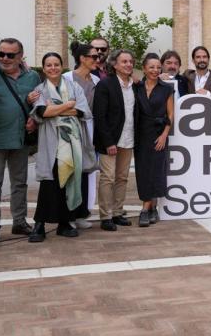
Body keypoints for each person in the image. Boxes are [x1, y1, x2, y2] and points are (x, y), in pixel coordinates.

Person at [0, 37, 40, 243]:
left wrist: (34, 118)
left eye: (10, 55)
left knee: (19, 183)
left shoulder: (32, 76)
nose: (4, 58)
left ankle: (19, 222)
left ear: (20, 56)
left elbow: (40, 102)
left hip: (20, 138)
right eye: (1, 54)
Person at [29, 52, 93, 242]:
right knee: (50, 183)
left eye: (56, 64)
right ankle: (39, 224)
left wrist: (55, 109)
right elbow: (41, 112)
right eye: (48, 65)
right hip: (52, 143)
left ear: (62, 66)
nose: (53, 68)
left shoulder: (74, 87)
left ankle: (65, 223)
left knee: (71, 180)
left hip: (73, 143)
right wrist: (68, 105)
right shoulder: (40, 89)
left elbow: (83, 111)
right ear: (43, 68)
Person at [93, 49, 136, 231]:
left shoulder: (135, 85)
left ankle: (118, 212)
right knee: (107, 178)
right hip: (110, 140)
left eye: (130, 61)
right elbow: (100, 116)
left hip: (129, 138)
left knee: (122, 178)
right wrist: (109, 142)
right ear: (114, 64)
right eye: (124, 61)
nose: (128, 64)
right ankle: (106, 216)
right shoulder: (106, 84)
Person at [134, 53, 174, 227]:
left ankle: (145, 209)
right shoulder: (136, 88)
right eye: (151, 67)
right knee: (143, 172)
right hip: (141, 134)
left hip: (159, 134)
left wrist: (165, 134)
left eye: (158, 67)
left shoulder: (166, 89)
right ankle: (152, 208)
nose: (155, 70)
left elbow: (171, 114)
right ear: (144, 68)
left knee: (156, 171)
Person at [65, 42, 101, 230]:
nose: (98, 60)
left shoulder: (96, 81)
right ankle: (68, 215)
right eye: (94, 56)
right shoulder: (66, 78)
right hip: (69, 131)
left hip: (89, 131)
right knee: (70, 172)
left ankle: (81, 213)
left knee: (86, 171)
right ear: (82, 59)